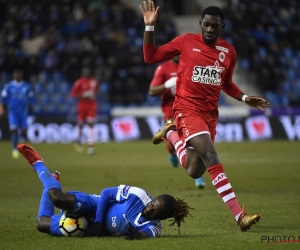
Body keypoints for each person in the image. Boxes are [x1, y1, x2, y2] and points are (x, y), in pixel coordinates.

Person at [139, 1, 270, 231]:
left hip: (210, 114)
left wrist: (244, 98)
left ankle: (170, 132)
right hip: (187, 109)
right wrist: (149, 28)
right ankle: (239, 216)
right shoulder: (186, 41)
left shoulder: (229, 52)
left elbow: (226, 84)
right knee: (210, 154)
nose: (209, 30)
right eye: (206, 25)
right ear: (201, 24)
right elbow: (150, 57)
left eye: (215, 27)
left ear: (222, 27)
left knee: (194, 171)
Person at [17, 143, 193, 238]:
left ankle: (52, 180)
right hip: (95, 205)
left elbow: (147, 234)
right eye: (154, 203)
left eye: (155, 211)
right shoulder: (139, 196)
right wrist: (100, 222)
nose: (151, 208)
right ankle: (39, 164)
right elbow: (108, 193)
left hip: (91, 229)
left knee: (41, 224)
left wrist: (139, 235)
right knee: (57, 198)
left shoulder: (153, 227)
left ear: (160, 218)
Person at [149, 55, 206, 188]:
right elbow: (152, 91)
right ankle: (172, 152)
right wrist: (166, 85)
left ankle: (199, 176)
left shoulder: (191, 67)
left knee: (193, 140)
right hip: (170, 112)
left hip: (188, 109)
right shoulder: (163, 68)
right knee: (173, 143)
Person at [0, 69, 35, 159]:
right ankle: (14, 148)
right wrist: (2, 108)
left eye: (19, 75)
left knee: (24, 131)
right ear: (14, 76)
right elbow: (3, 98)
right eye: (16, 75)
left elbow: (31, 98)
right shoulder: (9, 86)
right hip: (13, 112)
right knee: (14, 130)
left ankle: (24, 148)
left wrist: (31, 107)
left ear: (21, 76)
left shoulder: (27, 86)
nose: (18, 76)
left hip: (23, 112)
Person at [70, 66, 99, 155]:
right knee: (81, 124)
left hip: (92, 105)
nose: (86, 73)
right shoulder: (79, 82)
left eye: (87, 71)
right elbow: (73, 94)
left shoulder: (94, 81)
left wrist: (92, 94)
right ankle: (78, 141)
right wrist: (84, 95)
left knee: (91, 124)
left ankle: (91, 145)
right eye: (84, 72)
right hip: (82, 106)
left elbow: (97, 92)